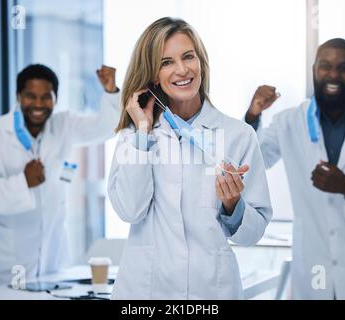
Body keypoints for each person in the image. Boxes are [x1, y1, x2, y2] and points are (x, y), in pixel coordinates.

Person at [107, 17, 272, 300]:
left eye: (188, 57)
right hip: (145, 292)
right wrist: (144, 134)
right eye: (166, 62)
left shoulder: (238, 135)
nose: (182, 69)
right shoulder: (134, 137)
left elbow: (251, 235)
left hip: (210, 292)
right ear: (152, 74)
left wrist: (233, 205)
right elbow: (129, 211)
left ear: (201, 62)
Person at [0, 64, 120, 288]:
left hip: (52, 255)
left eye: (46, 97)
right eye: (30, 96)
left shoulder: (64, 124)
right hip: (5, 257)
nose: (38, 104)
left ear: (56, 98)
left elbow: (106, 128)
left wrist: (111, 91)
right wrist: (22, 182)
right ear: (18, 96)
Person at [244, 38, 345, 299]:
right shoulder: (290, 122)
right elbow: (254, 161)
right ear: (314, 70)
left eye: (343, 67)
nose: (333, 74)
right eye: (325, 66)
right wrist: (253, 116)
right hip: (314, 261)